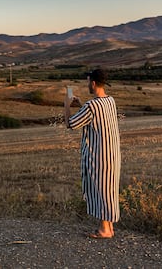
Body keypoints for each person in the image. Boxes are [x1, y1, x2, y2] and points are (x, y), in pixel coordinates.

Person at [64, 69, 121, 239]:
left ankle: (104, 230)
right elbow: (96, 117)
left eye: (88, 81)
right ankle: (109, 227)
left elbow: (71, 124)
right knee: (109, 190)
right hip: (112, 154)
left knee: (100, 189)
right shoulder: (110, 101)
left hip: (99, 155)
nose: (87, 84)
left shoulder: (91, 106)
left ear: (93, 83)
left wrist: (66, 104)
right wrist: (81, 104)